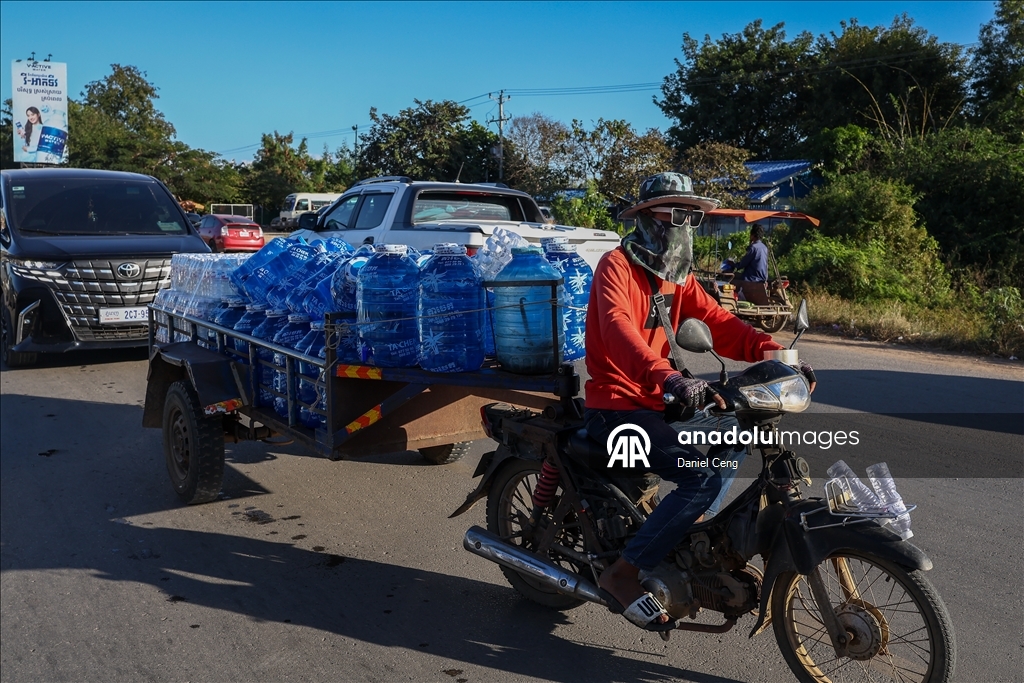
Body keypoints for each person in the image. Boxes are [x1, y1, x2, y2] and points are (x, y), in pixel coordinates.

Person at [584, 172, 815, 631]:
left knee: (737, 431)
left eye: (693, 216)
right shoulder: (616, 267)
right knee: (701, 476)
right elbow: (618, 330)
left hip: (660, 402)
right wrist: (668, 376)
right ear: (649, 218)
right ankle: (623, 572)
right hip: (615, 407)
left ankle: (687, 530)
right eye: (678, 214)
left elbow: (721, 323)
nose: (687, 224)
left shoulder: (679, 280)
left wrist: (782, 355)